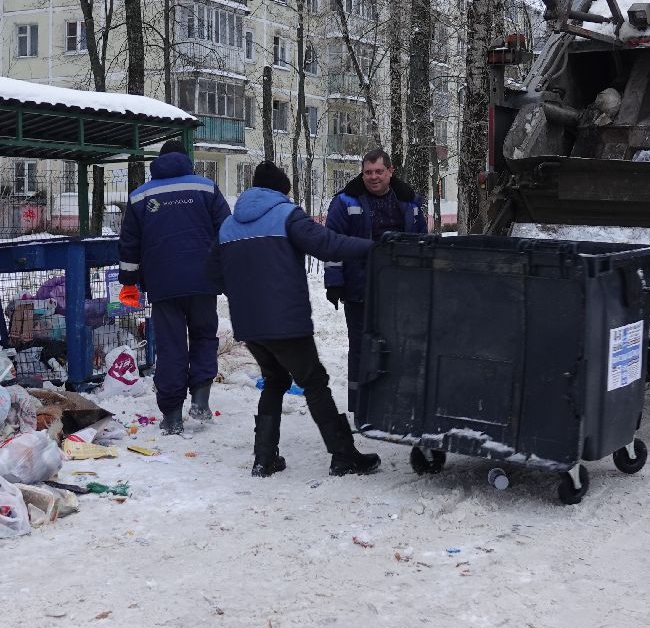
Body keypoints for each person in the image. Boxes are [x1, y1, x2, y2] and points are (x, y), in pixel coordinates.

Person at [210, 161, 381, 477]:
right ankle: (344, 455)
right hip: (285, 321)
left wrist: (245, 294)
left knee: (275, 380)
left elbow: (213, 274)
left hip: (250, 325)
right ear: (280, 189)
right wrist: (374, 247)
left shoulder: (228, 226)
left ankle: (264, 459)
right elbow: (328, 244)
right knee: (314, 382)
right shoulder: (287, 215)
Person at [118, 139, 230, 435]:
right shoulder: (206, 188)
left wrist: (128, 281)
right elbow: (227, 232)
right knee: (204, 336)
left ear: (159, 161)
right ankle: (201, 399)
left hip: (163, 284)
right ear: (186, 159)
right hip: (204, 282)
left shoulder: (141, 195)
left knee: (171, 347)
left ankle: (172, 416)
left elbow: (129, 244)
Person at [323, 149, 427, 383]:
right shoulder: (344, 201)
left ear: (391, 171)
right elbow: (332, 244)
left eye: (379, 171)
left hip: (401, 291)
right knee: (361, 348)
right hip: (360, 289)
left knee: (399, 345)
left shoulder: (409, 202)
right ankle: (360, 405)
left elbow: (422, 243)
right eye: (368, 172)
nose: (373, 177)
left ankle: (391, 402)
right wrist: (334, 282)